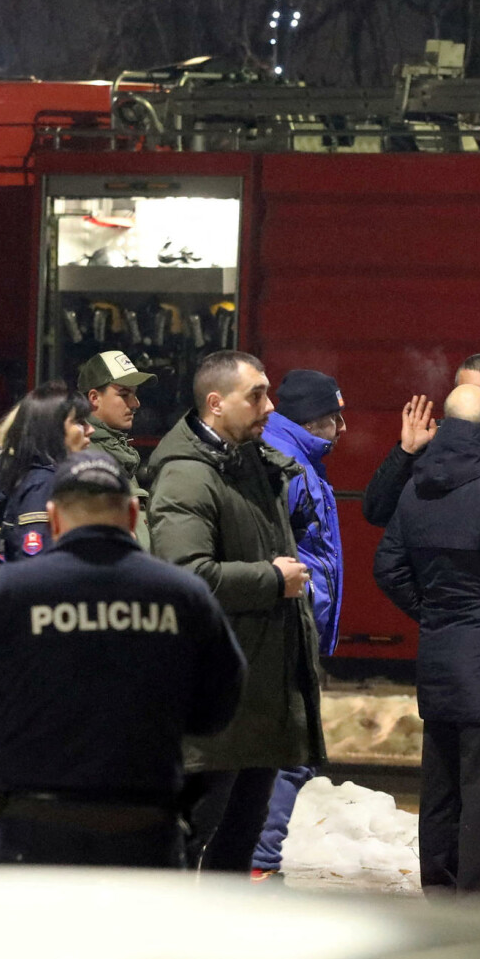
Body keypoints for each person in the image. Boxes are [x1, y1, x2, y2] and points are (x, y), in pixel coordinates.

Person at [0, 452, 247, 867]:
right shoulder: (183, 595)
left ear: (53, 519)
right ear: (132, 516)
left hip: (29, 834)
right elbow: (218, 710)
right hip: (145, 836)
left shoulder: (7, 592)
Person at [143, 350, 325, 871]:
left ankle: (225, 923)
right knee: (190, 837)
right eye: (257, 395)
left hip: (256, 688)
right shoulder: (187, 475)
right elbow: (185, 575)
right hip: (216, 696)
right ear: (216, 403)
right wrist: (272, 580)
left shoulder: (250, 462)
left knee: (240, 837)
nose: (270, 407)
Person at [376, 383, 480, 896]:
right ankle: (475, 913)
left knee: (441, 794)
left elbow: (387, 567)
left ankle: (440, 898)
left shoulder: (416, 487)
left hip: (439, 660)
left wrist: (433, 612)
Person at [251, 369, 349, 880]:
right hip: (287, 626)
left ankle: (256, 862)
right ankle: (259, 865)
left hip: (296, 624)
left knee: (290, 752)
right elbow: (268, 549)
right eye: (335, 416)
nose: (342, 427)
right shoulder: (286, 465)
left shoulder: (298, 459)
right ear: (312, 418)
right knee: (290, 753)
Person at [362, 353, 480, 528]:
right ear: (456, 398)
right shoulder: (431, 440)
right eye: (470, 392)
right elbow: (376, 513)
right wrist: (406, 452)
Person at [0, 383, 93, 561]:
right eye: (79, 422)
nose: (90, 430)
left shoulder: (49, 480)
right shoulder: (43, 485)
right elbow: (38, 563)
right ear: (53, 429)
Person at [80, 350, 157, 544]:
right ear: (94, 398)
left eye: (135, 394)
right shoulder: (86, 459)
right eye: (124, 394)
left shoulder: (117, 452)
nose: (135, 403)